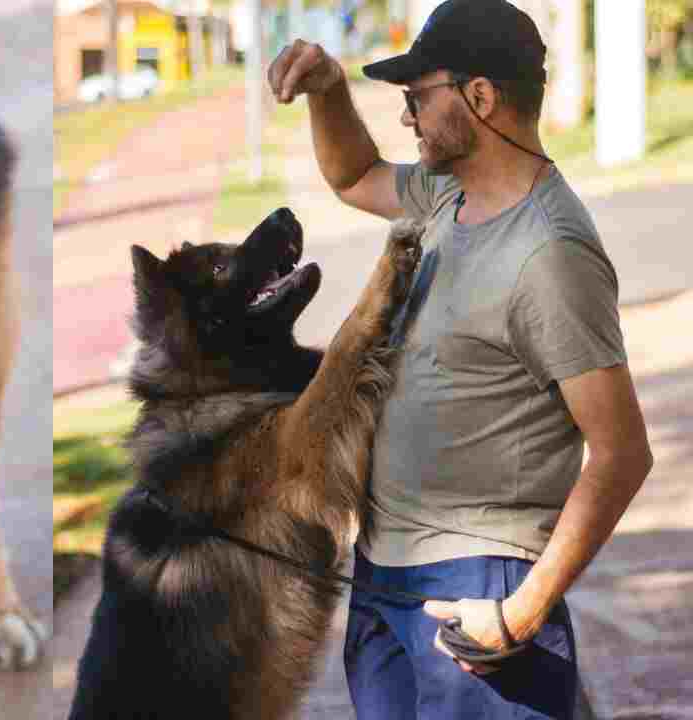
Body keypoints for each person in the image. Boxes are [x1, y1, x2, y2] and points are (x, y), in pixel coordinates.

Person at [266, 1, 653, 718]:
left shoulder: (550, 255)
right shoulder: (447, 194)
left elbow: (622, 452)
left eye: (419, 97)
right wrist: (327, 89)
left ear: (480, 98)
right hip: (385, 573)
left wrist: (519, 614)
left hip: (477, 585)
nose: (408, 118)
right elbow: (353, 176)